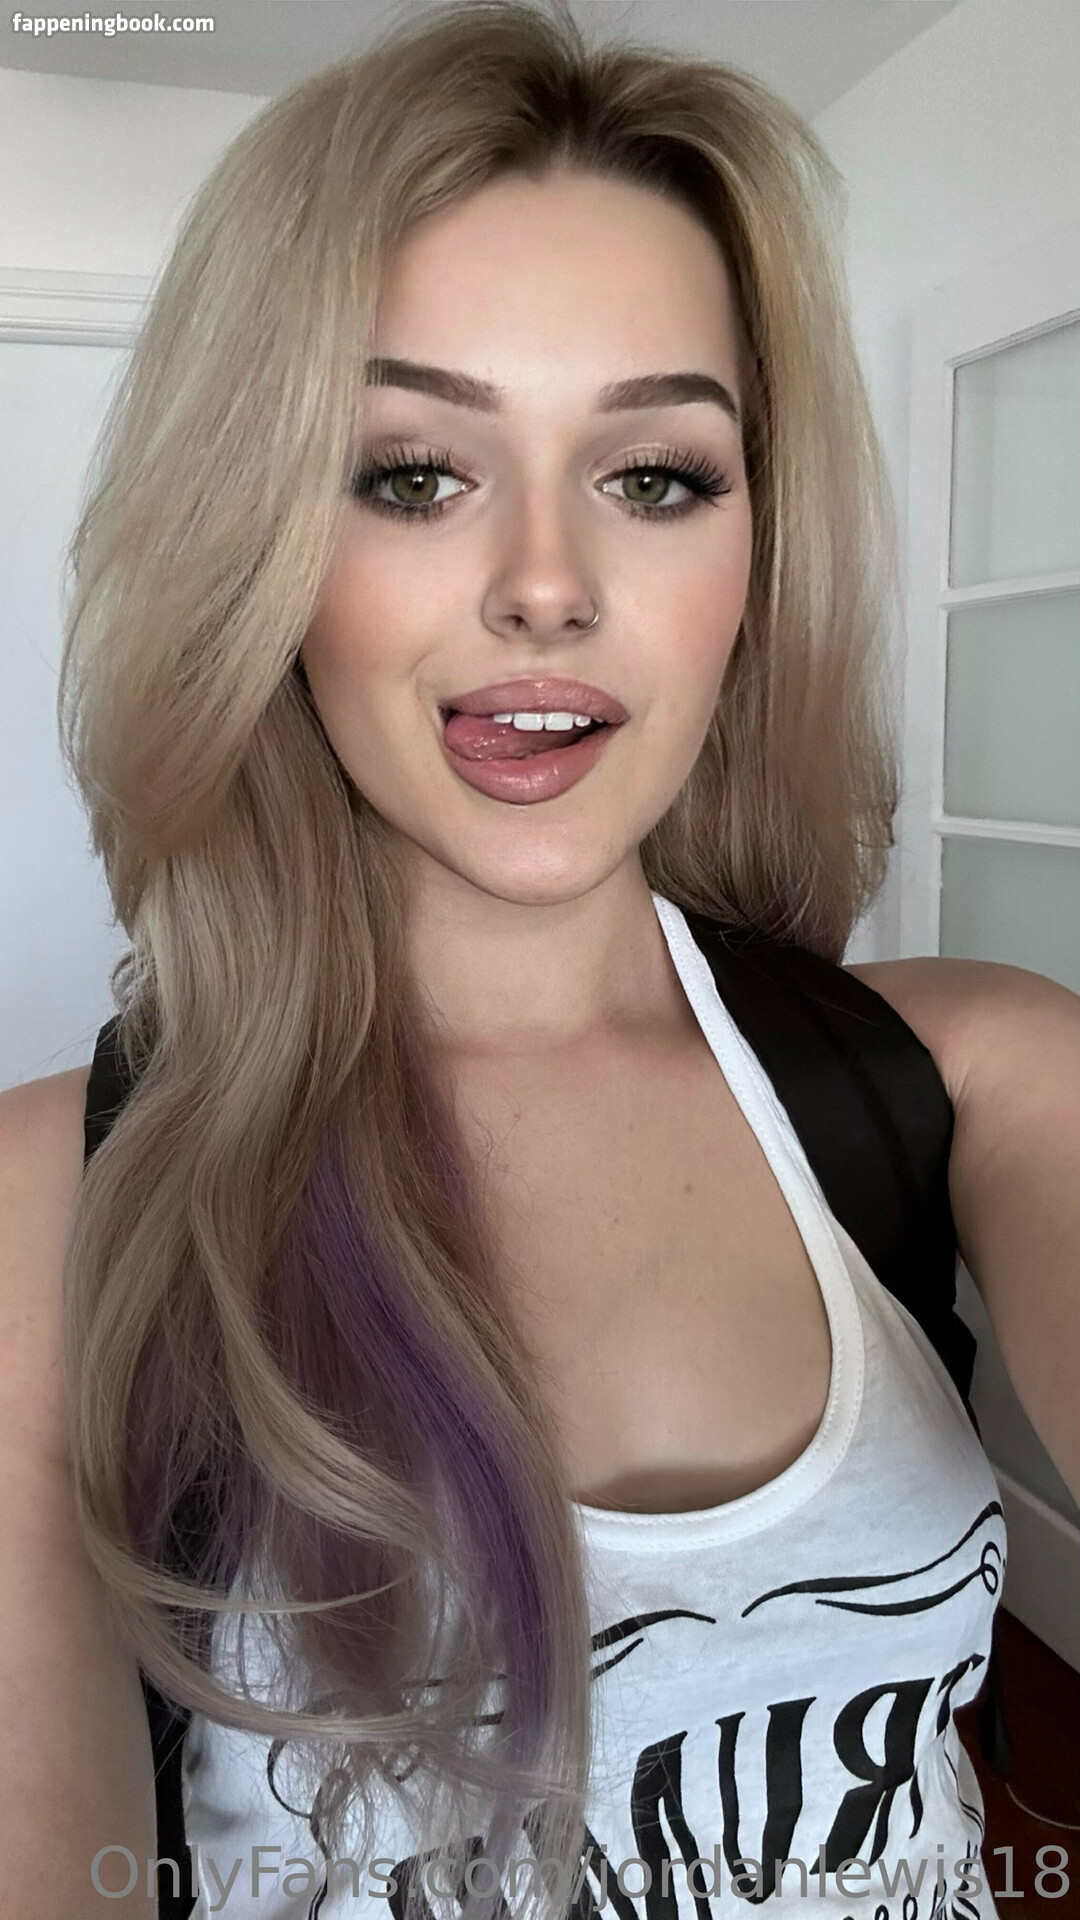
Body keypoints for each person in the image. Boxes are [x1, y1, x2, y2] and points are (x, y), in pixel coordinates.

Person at [1, 3, 1077, 1917]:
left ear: (757, 557)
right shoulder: (49, 1212)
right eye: (414, 473)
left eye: (654, 477)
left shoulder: (981, 1078)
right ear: (261, 546)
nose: (548, 588)